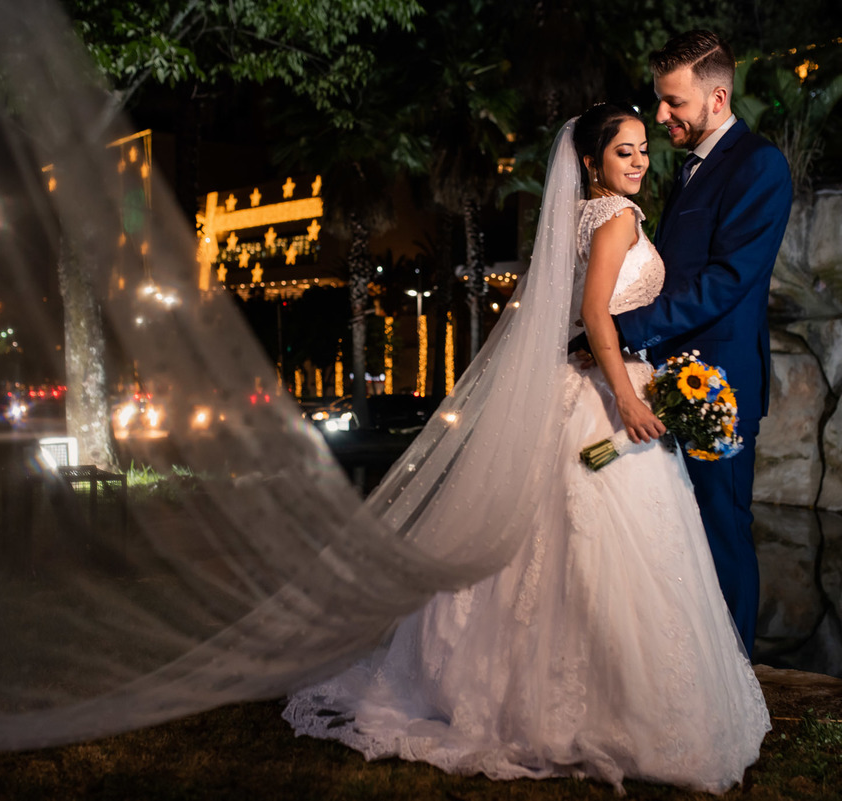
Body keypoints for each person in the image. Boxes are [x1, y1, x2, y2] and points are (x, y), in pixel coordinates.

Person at [283, 105, 769, 795]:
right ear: (593, 162)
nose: (639, 160)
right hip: (608, 396)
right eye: (624, 150)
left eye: (642, 148)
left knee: (560, 543)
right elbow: (595, 314)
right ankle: (610, 703)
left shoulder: (583, 217)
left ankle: (516, 684)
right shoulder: (616, 218)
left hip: (589, 386)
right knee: (603, 546)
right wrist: (629, 399)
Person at [572, 31, 794, 657]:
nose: (662, 114)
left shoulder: (758, 166)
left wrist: (621, 331)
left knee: (722, 531)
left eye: (674, 102)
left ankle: (735, 678)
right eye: (660, 100)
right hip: (659, 382)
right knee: (673, 535)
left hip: (716, 386)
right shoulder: (690, 170)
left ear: (717, 98)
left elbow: (726, 282)